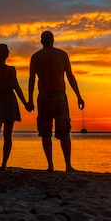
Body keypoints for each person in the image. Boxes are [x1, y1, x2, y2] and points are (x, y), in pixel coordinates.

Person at [28, 31, 84, 172]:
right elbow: (70, 76)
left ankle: (51, 165)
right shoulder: (62, 55)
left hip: (45, 97)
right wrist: (78, 95)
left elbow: (32, 80)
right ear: (53, 40)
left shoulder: (36, 57)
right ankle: (67, 165)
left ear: (42, 41)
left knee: (46, 133)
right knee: (64, 133)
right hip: (58, 97)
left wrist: (29, 99)